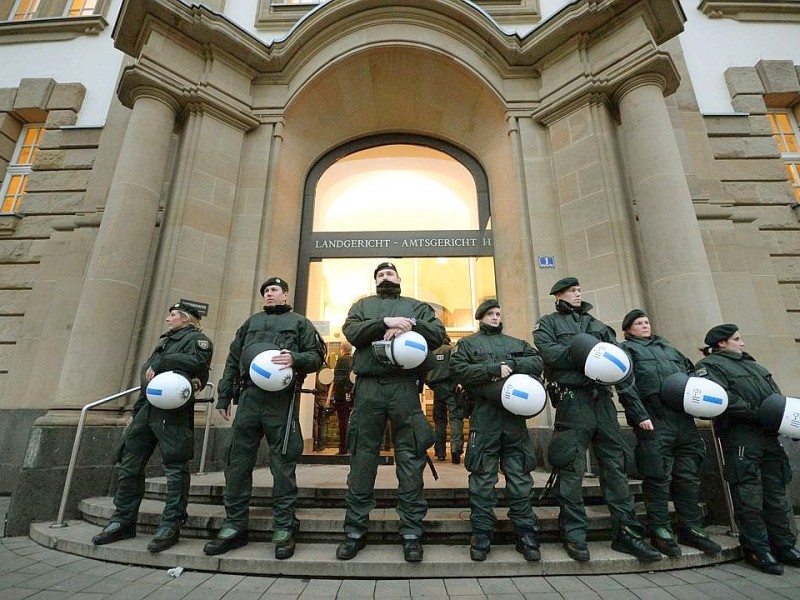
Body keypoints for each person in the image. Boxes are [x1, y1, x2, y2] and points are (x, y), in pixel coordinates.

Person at [533, 277, 661, 563]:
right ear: (558, 296)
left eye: (579, 290)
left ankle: (627, 533)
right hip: (572, 401)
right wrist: (586, 356)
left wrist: (637, 413)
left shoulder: (597, 325)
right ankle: (574, 533)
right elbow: (551, 355)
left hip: (602, 399)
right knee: (570, 468)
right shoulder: (548, 324)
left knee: (615, 467)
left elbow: (619, 365)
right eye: (571, 291)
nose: (577, 294)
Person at [203, 277, 325, 560]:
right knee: (237, 460)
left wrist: (295, 358)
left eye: (274, 290)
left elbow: (317, 356)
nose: (269, 294)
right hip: (248, 399)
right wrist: (224, 397)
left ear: (285, 295)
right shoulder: (250, 323)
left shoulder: (300, 323)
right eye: (266, 291)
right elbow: (233, 361)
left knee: (282, 464)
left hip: (280, 402)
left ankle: (283, 527)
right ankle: (234, 525)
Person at [336, 262, 445, 563]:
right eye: (380, 274)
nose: (385, 277)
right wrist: (385, 322)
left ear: (399, 278)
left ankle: (412, 533)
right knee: (362, 460)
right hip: (369, 389)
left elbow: (438, 334)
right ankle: (355, 532)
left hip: (404, 388)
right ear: (375, 281)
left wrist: (409, 323)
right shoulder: (363, 305)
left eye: (390, 273)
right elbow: (352, 331)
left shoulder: (415, 306)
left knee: (410, 460)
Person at [92, 302, 213, 553]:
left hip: (172, 412)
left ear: (187, 319)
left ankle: (170, 525)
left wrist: (163, 362)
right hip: (146, 409)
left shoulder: (197, 341)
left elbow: (198, 365)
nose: (168, 319)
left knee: (175, 468)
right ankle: (122, 520)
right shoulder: (165, 341)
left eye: (173, 315)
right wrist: (136, 410)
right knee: (129, 464)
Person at [696, 323, 800, 575]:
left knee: (776, 495)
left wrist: (782, 417)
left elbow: (776, 396)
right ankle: (757, 548)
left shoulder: (754, 365)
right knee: (749, 497)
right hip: (742, 438)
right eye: (737, 339)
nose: (742, 343)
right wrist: (758, 414)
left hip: (769, 437)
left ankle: (784, 545)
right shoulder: (710, 367)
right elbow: (723, 400)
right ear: (721, 343)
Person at [619, 309, 722, 557]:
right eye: (638, 323)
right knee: (657, 478)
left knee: (687, 477)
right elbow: (626, 385)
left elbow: (692, 377)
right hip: (654, 420)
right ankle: (661, 530)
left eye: (646, 322)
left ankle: (691, 528)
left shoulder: (669, 349)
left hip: (683, 420)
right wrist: (639, 415)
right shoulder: (626, 350)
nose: (644, 326)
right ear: (628, 330)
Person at [450, 299, 543, 562]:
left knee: (520, 478)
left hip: (513, 421)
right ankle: (481, 532)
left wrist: (509, 367)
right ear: (481, 317)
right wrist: (490, 369)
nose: (495, 317)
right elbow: (458, 370)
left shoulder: (516, 343)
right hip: (484, 418)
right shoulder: (468, 344)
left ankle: (525, 532)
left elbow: (537, 362)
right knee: (482, 477)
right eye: (490, 313)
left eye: (498, 313)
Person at [426, 336, 465, 464]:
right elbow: (458, 368)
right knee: (455, 419)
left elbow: (425, 372)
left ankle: (440, 452)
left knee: (439, 421)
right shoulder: (451, 350)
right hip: (451, 389)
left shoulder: (431, 352)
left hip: (437, 390)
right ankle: (455, 450)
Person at [328, 341, 354, 455]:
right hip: (352, 395)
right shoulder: (354, 360)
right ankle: (351, 446)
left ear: (342, 350)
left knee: (342, 421)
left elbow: (338, 378)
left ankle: (343, 447)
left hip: (341, 396)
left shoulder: (341, 360)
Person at [312, 366, 330, 452]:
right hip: (323, 396)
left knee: (315, 421)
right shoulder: (326, 368)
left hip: (315, 396)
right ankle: (321, 444)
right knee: (322, 421)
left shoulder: (314, 368)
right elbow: (331, 383)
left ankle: (315, 443)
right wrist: (328, 397)